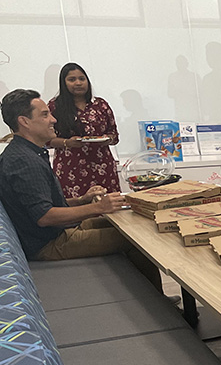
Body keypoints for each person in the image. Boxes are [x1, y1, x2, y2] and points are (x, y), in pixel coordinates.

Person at [0, 89, 161, 290]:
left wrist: (83, 200)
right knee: (137, 239)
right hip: (50, 243)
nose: (53, 119)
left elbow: (42, 206)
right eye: (45, 115)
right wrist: (97, 208)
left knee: (129, 224)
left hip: (57, 232)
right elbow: (45, 216)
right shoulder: (24, 162)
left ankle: (154, 296)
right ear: (24, 121)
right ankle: (161, 308)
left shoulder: (27, 153)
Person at [46, 63, 121, 198]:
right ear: (64, 83)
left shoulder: (100, 104)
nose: (78, 83)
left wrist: (107, 139)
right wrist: (67, 143)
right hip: (71, 167)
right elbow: (46, 140)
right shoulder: (54, 106)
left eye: (82, 78)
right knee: (76, 210)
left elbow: (114, 135)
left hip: (102, 165)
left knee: (109, 207)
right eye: (72, 79)